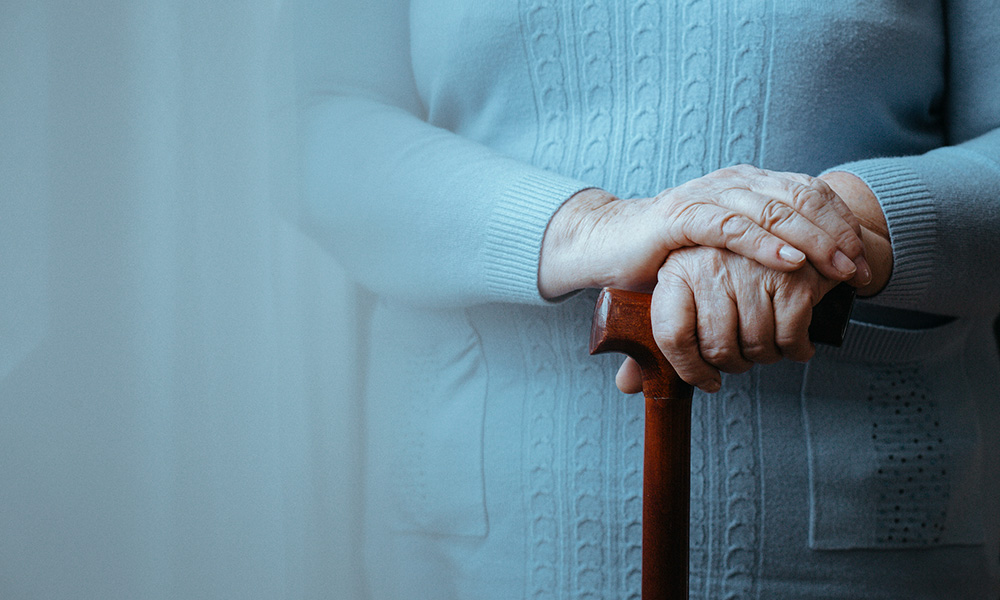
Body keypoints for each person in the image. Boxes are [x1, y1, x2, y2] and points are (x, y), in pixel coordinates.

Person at [294, 0, 1000, 598]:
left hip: (874, 545)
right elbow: (306, 124)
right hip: (470, 543)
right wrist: (589, 226)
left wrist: (835, 223)